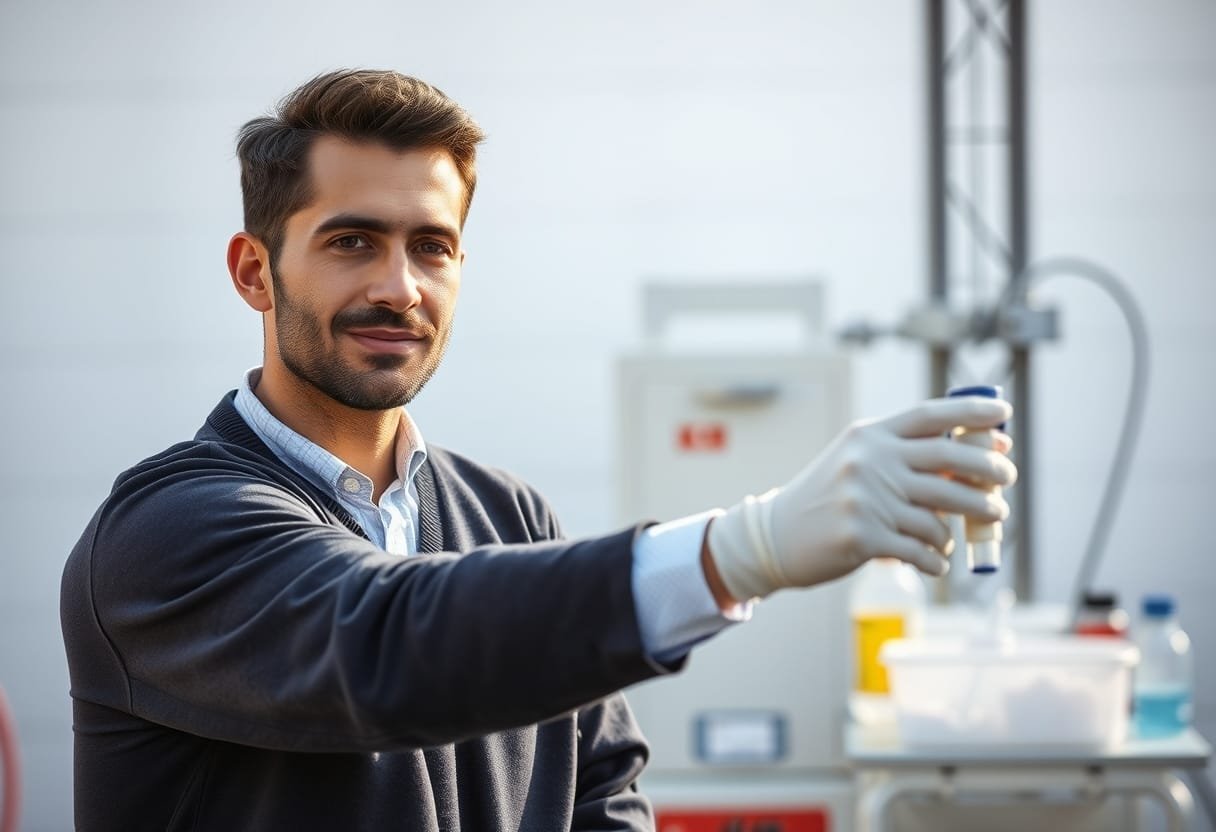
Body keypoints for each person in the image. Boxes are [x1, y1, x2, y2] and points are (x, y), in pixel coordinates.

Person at [60, 69, 1016, 831]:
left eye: (432, 246)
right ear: (253, 272)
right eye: (352, 241)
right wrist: (746, 547)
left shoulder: (506, 514)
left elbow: (602, 784)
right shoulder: (163, 533)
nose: (400, 287)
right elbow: (385, 642)